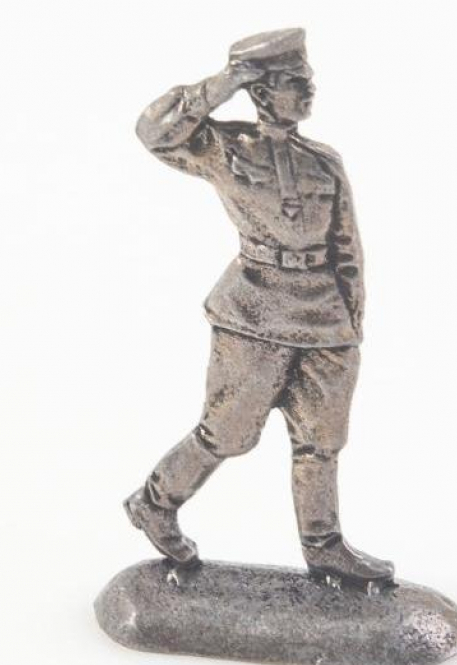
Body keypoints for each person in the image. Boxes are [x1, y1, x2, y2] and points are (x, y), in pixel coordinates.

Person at [124, 28, 393, 585]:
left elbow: (347, 246)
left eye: (309, 80)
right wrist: (223, 83)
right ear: (264, 92)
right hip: (254, 313)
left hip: (325, 320)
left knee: (322, 441)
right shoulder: (223, 147)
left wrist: (352, 318)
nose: (310, 91)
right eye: (297, 82)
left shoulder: (324, 162)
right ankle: (155, 502)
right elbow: (154, 131)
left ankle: (324, 547)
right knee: (227, 433)